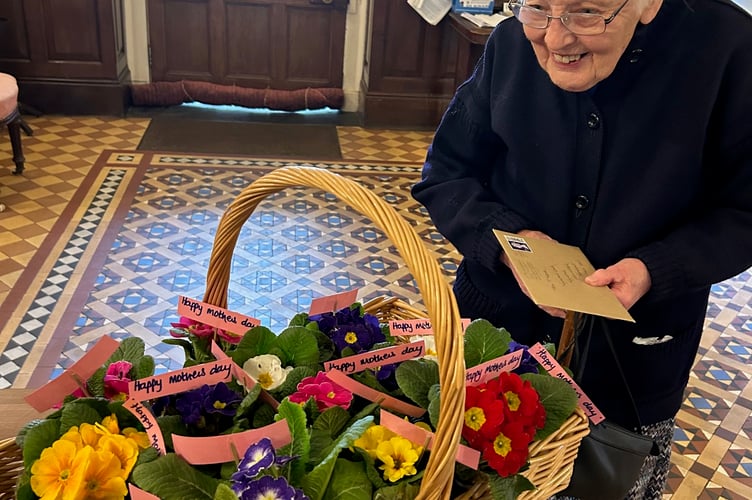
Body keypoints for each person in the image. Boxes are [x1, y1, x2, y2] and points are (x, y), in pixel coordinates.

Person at [412, 0, 751, 496]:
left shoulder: (728, 48)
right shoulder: (510, 43)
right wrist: (508, 242)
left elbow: (744, 211)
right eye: (536, 8)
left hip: (630, 363)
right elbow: (447, 172)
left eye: (586, 12)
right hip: (493, 336)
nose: (554, 40)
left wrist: (654, 269)